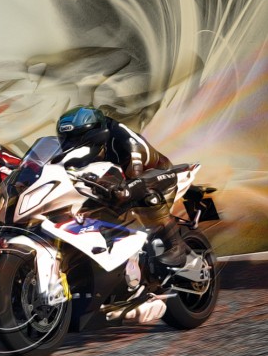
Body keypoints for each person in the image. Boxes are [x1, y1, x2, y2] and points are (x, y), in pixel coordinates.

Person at [56, 105, 191, 269]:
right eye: (65, 139)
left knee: (136, 191)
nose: (69, 144)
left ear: (95, 135)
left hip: (157, 172)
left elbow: (135, 180)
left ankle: (175, 245)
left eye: (74, 139)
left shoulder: (125, 142)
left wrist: (124, 190)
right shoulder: (81, 151)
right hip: (117, 175)